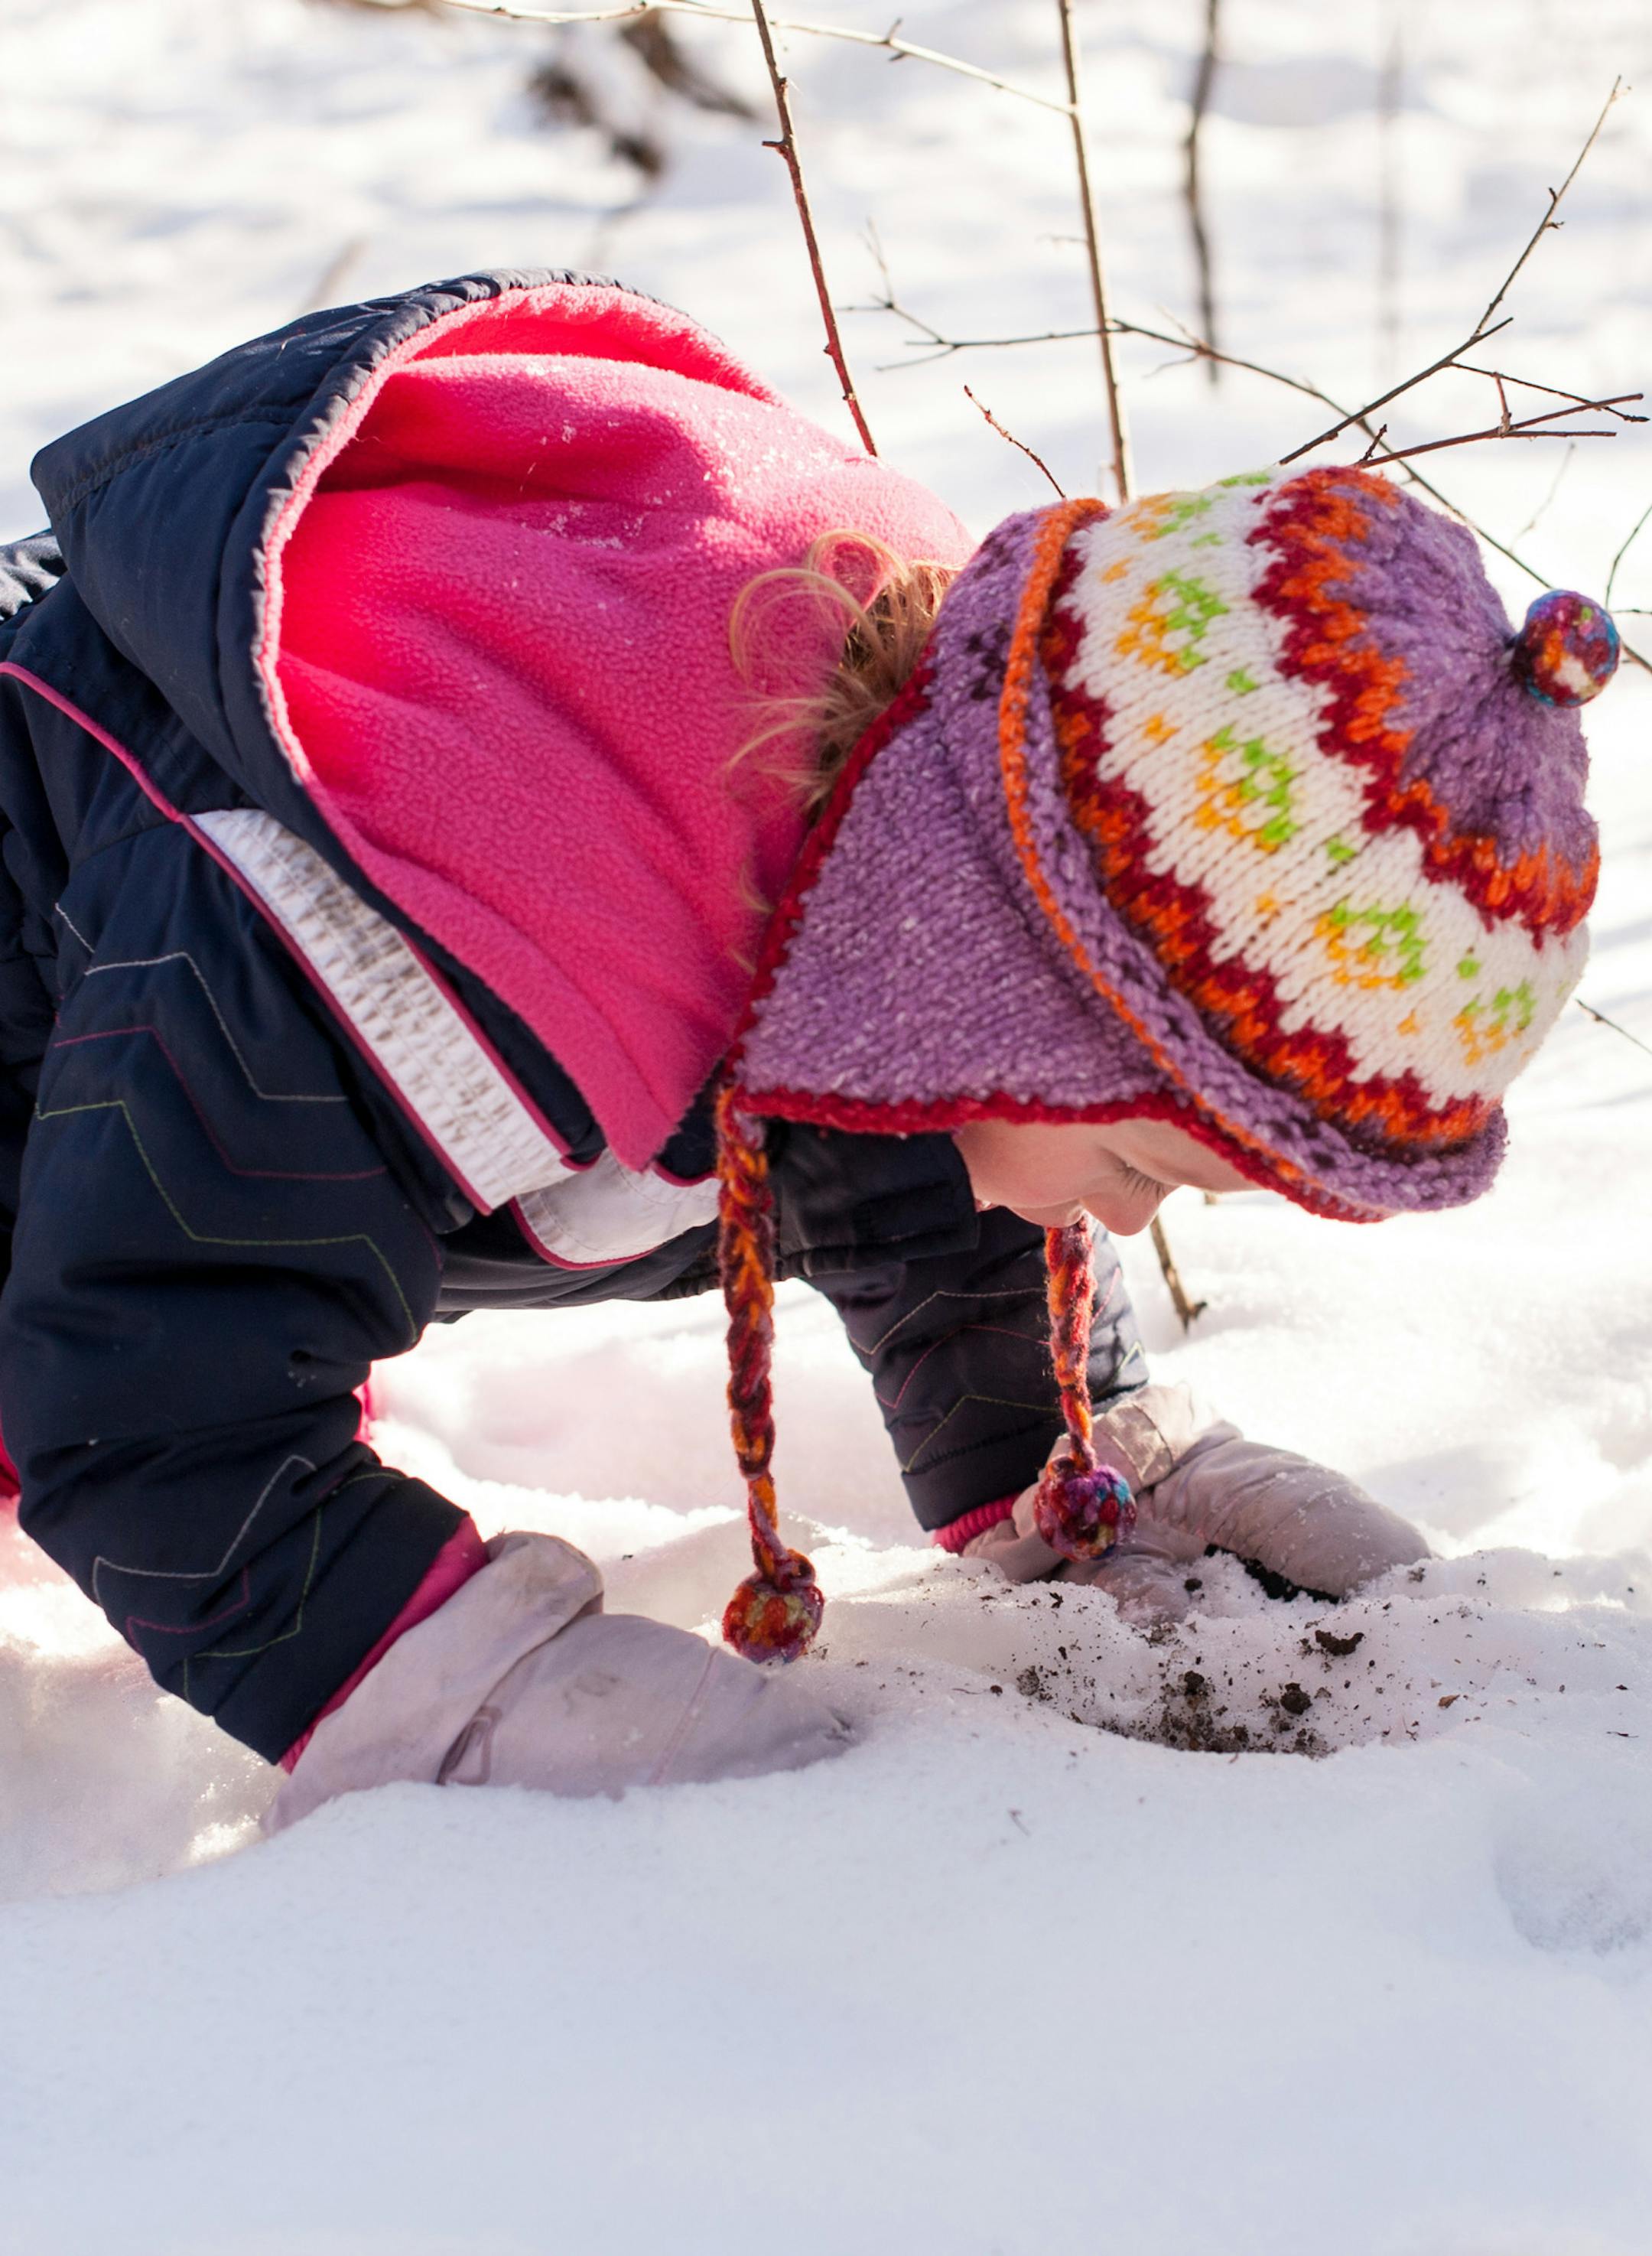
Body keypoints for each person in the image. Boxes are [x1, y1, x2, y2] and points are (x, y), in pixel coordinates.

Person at [0, 272, 1614, 1827]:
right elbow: (152, 1378)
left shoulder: (909, 773)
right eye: (1137, 1163)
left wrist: (1066, 1455)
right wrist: (444, 1677)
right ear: (1012, 1005)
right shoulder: (436, 884)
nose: (1121, 1223)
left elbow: (899, 1126)